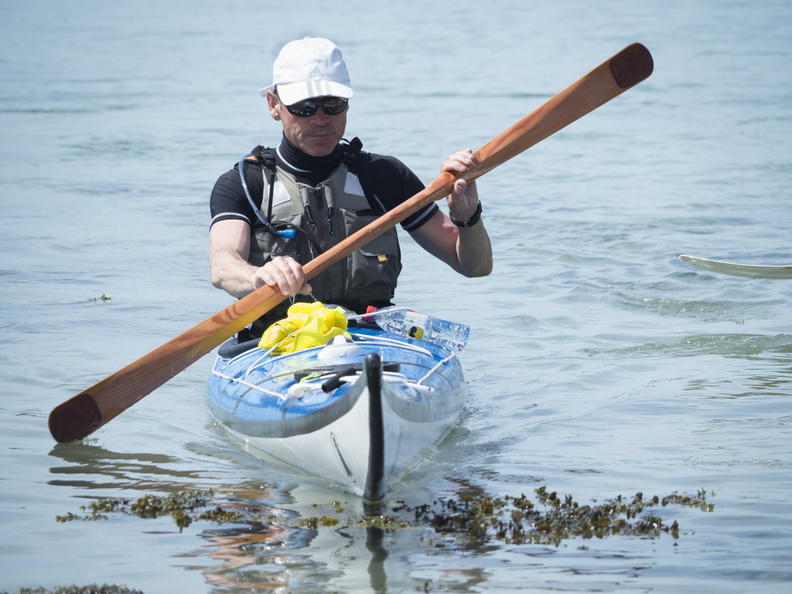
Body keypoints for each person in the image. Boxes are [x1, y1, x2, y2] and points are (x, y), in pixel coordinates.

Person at [209, 37, 492, 335]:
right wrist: (258, 277)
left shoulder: (383, 176)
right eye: (304, 107)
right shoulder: (244, 183)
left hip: (371, 339)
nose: (320, 119)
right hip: (281, 339)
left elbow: (473, 267)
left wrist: (467, 215)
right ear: (273, 104)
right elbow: (223, 265)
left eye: (333, 104)